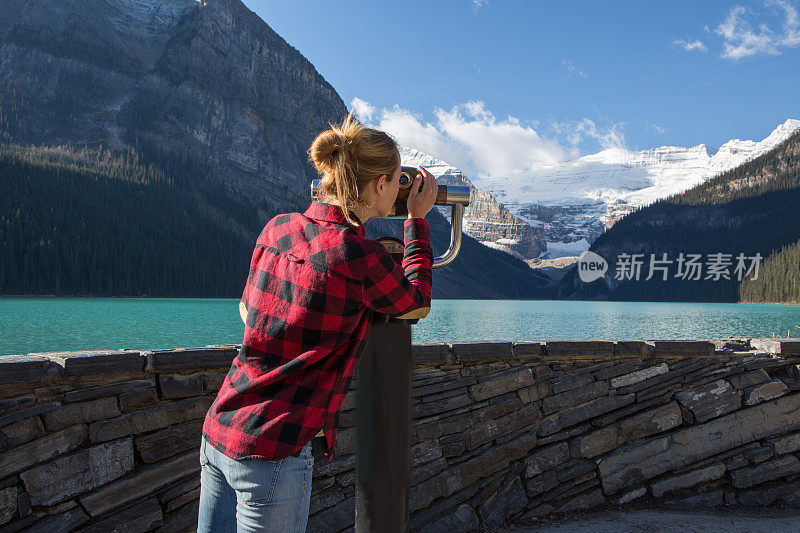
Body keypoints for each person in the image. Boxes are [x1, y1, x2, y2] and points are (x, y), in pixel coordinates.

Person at [197, 114, 438, 532]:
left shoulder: (277, 229)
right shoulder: (358, 256)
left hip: (220, 428)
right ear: (380, 184)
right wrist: (416, 221)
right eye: (398, 180)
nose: (400, 189)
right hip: (273, 448)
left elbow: (247, 311)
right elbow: (414, 304)